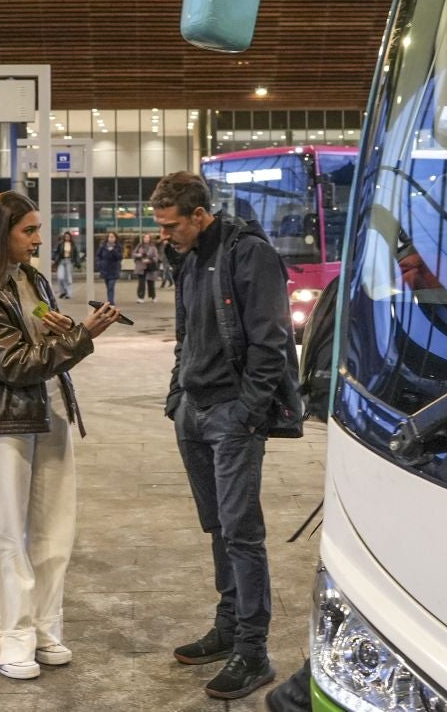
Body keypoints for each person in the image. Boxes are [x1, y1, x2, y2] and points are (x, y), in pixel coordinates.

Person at [0, 191, 120, 681]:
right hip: (2, 418)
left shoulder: (31, 279)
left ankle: (43, 628)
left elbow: (37, 344)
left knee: (53, 533)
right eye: (28, 230)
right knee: (6, 533)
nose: (37, 238)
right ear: (1, 234)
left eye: (36, 229)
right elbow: (15, 364)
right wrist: (81, 335)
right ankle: (5, 639)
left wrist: (60, 329)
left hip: (47, 413)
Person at [154, 169, 305, 702]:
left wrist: (247, 411)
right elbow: (186, 333)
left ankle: (253, 649)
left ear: (200, 214)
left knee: (242, 532)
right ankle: (227, 626)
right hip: (193, 412)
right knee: (219, 527)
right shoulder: (189, 257)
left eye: (172, 225)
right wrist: (177, 395)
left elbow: (271, 341)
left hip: (231, 416)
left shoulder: (250, 254)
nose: (164, 234)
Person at [94, 231, 122, 305]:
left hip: (114, 270)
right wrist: (99, 264)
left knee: (111, 287)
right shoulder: (103, 246)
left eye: (113, 237)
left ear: (115, 238)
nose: (111, 238)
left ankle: (111, 302)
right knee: (108, 286)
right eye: (110, 237)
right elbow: (98, 256)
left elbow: (119, 257)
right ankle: (110, 300)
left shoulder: (118, 246)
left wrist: (113, 250)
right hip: (105, 269)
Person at [132, 233, 160, 301]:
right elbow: (133, 254)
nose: (146, 239)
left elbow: (156, 257)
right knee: (141, 283)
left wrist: (150, 260)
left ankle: (153, 296)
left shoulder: (153, 247)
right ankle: (140, 297)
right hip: (141, 267)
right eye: (145, 238)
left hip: (150, 267)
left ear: (150, 239)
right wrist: (139, 255)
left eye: (147, 238)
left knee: (151, 283)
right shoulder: (139, 246)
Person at [52, 230, 76, 300]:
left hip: (69, 261)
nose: (67, 237)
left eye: (68, 236)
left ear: (70, 237)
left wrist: (77, 262)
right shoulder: (60, 244)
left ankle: (68, 293)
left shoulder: (73, 244)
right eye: (65, 236)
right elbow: (56, 251)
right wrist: (53, 259)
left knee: (68, 278)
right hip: (61, 261)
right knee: (60, 277)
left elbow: (76, 254)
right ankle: (63, 291)